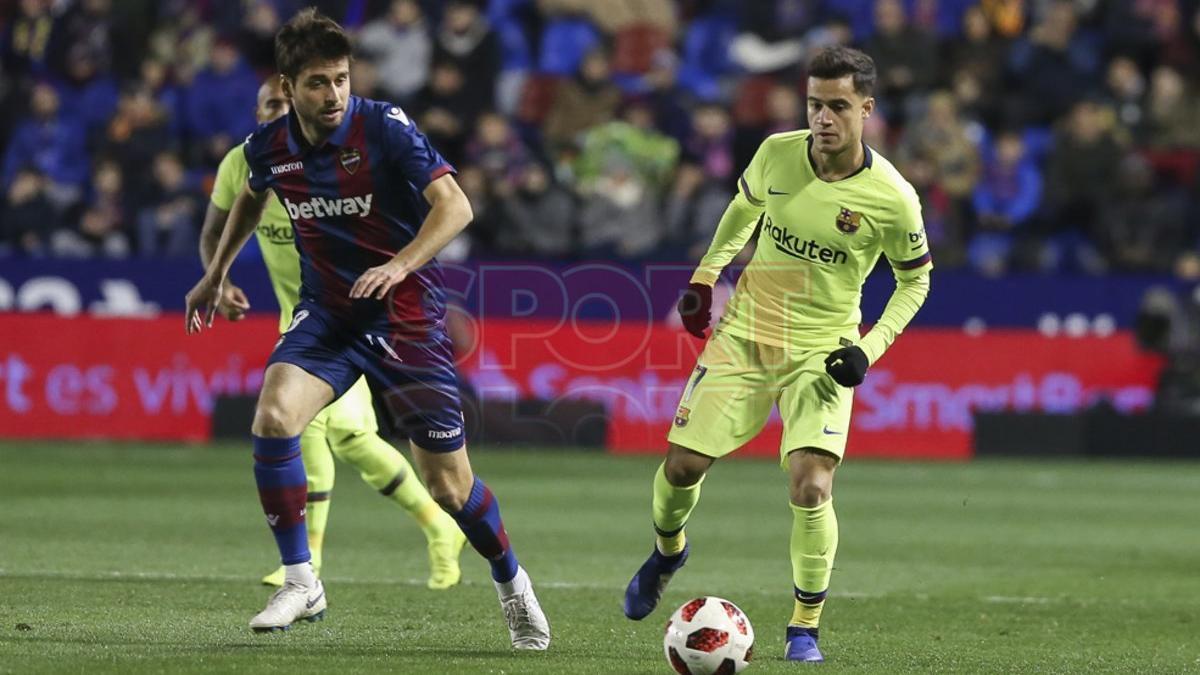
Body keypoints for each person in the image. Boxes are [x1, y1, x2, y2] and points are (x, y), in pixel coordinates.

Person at [183, 9, 550, 648]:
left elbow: (455, 206)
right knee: (274, 415)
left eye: (342, 79)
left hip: (405, 316)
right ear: (289, 86)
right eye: (319, 83)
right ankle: (302, 579)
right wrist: (216, 273)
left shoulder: (382, 127)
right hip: (327, 311)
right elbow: (249, 194)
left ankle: (512, 582)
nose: (334, 95)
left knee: (448, 485)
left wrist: (400, 264)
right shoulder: (268, 148)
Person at [621, 46, 932, 663]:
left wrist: (867, 350)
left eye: (838, 106)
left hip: (823, 350)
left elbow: (916, 281)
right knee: (682, 466)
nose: (823, 118)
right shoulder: (774, 153)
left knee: (812, 485)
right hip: (745, 335)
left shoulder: (892, 198)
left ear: (866, 109)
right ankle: (668, 552)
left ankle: (804, 626)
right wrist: (705, 278)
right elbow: (744, 210)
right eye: (815, 103)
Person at [200, 75, 467, 591]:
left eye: (284, 102)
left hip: (353, 316)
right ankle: (432, 527)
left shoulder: (340, 158)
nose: (278, 110)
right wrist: (218, 278)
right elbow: (215, 231)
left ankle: (308, 565)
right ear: (260, 113)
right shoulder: (250, 161)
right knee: (347, 435)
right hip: (301, 317)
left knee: (321, 430)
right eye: (269, 105)